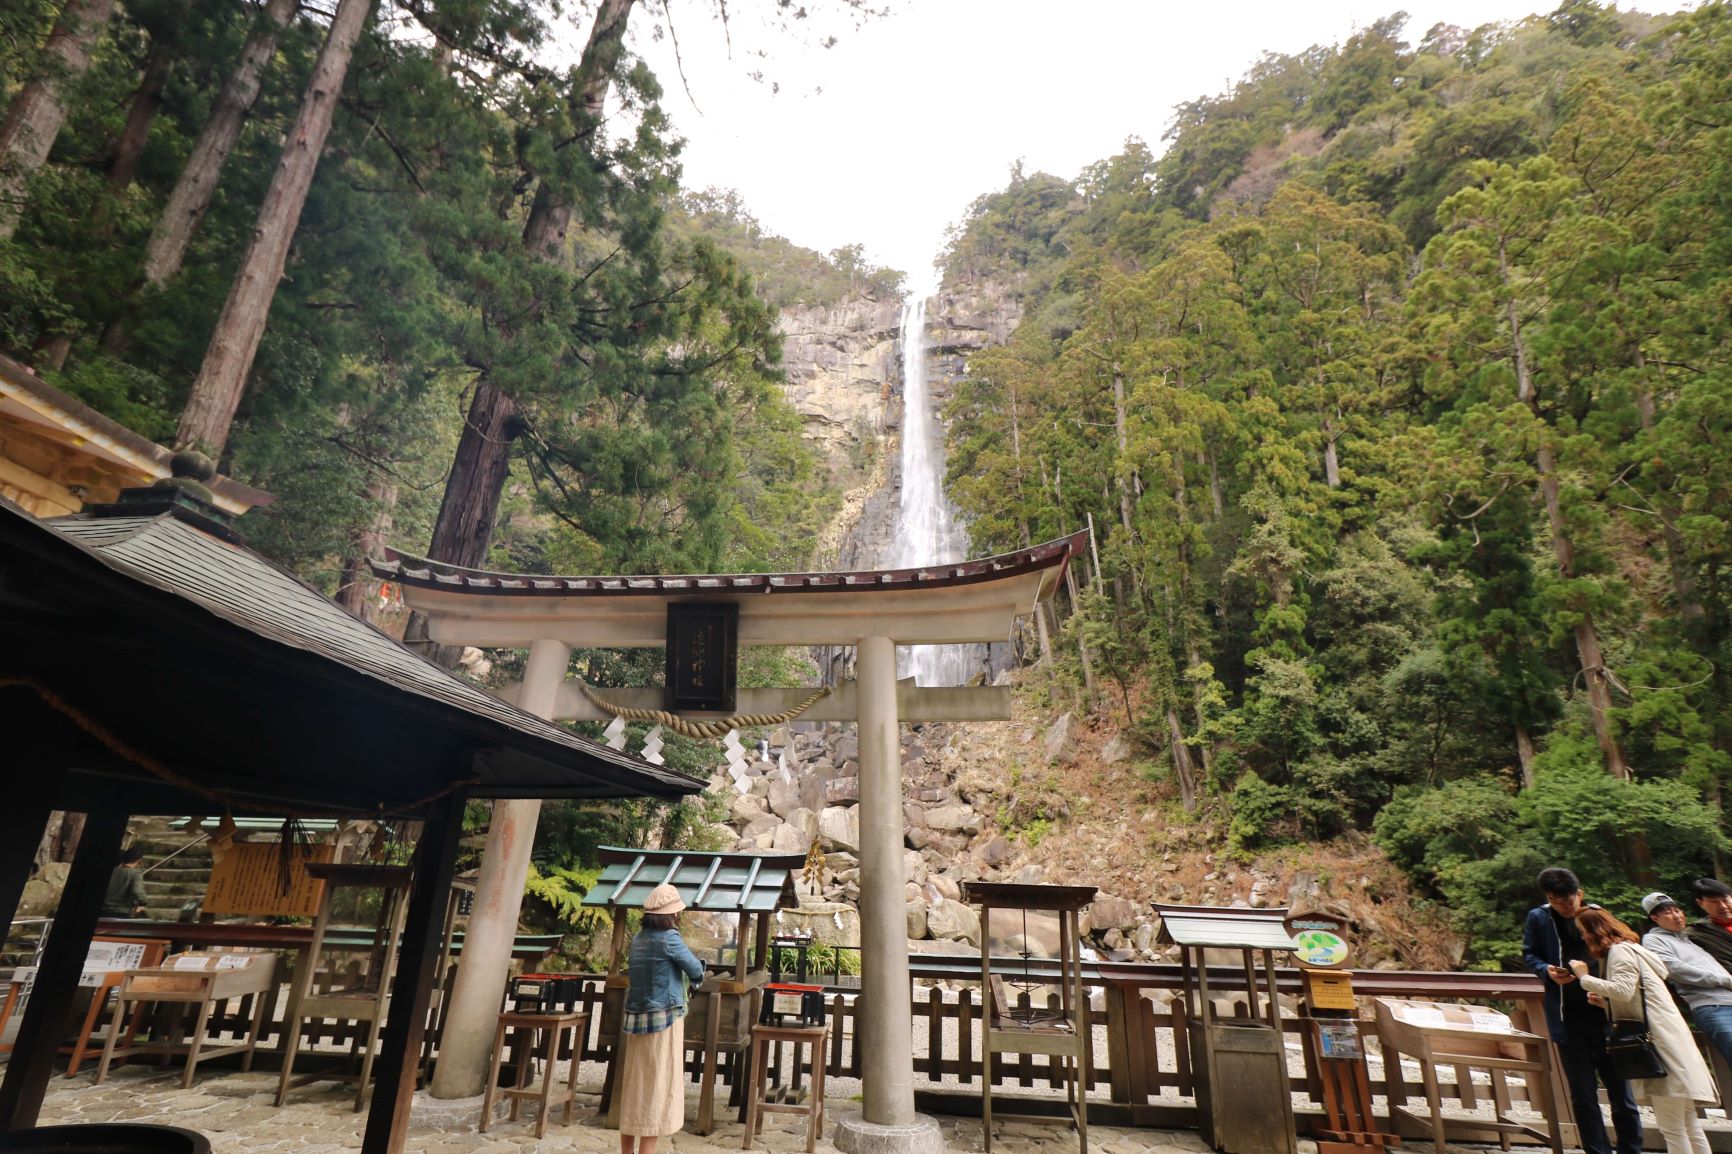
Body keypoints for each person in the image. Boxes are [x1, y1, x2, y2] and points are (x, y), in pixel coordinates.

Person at [1571, 908, 1717, 1154]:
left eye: (1583, 931)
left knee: (1672, 1128)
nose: (1583, 937)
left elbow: (1623, 989)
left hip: (1659, 1045)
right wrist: (1605, 1003)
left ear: (1594, 932)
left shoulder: (1619, 952)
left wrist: (1584, 978)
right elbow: (1638, 996)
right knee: (1689, 1124)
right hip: (1672, 1039)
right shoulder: (1637, 950)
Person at [1521, 867, 1642, 1154]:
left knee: (1621, 1091)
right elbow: (1530, 953)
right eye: (1556, 901)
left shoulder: (1594, 915)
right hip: (1567, 1018)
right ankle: (1597, 1150)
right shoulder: (1539, 917)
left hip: (1604, 1013)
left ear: (1580, 895)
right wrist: (1546, 971)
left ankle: (1631, 1149)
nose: (1564, 906)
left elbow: (1620, 948)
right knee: (1582, 1093)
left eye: (1569, 900)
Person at [617, 883, 705, 1154]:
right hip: (663, 1022)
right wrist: (701, 973)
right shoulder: (669, 938)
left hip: (635, 1021)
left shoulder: (638, 938)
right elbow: (693, 968)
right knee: (657, 1089)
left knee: (635, 1087)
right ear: (671, 915)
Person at [1641, 891, 1732, 1066]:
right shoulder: (1653, 940)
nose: (1676, 916)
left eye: (1677, 910)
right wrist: (1724, 980)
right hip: (1712, 1006)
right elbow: (1675, 969)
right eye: (1668, 913)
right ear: (1654, 918)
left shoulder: (1689, 939)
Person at [1686, 878, 1732, 971]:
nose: (1723, 906)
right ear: (1700, 903)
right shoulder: (1696, 934)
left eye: (1725, 900)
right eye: (1714, 902)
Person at [100, 845, 147, 918]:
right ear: (139, 860)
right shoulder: (135, 873)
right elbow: (137, 891)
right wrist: (143, 902)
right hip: (121, 912)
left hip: (103, 910)